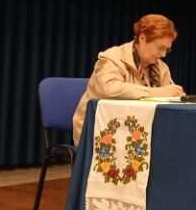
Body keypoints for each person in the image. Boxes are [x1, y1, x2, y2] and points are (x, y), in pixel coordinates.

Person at [72, 14, 184, 144]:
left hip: (138, 131)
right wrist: (156, 93)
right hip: (99, 129)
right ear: (142, 38)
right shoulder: (112, 58)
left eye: (167, 50)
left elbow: (166, 104)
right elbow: (108, 89)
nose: (163, 54)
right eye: (160, 48)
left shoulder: (161, 69)